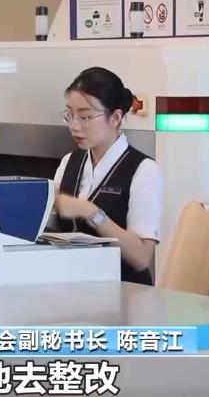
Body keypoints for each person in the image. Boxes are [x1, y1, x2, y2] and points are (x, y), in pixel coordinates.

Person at [51, 67, 164, 285]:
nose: (74, 126)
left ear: (115, 117)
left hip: (125, 291)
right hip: (76, 286)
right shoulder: (69, 162)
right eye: (70, 115)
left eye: (85, 117)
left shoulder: (145, 170)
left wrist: (92, 213)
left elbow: (142, 257)